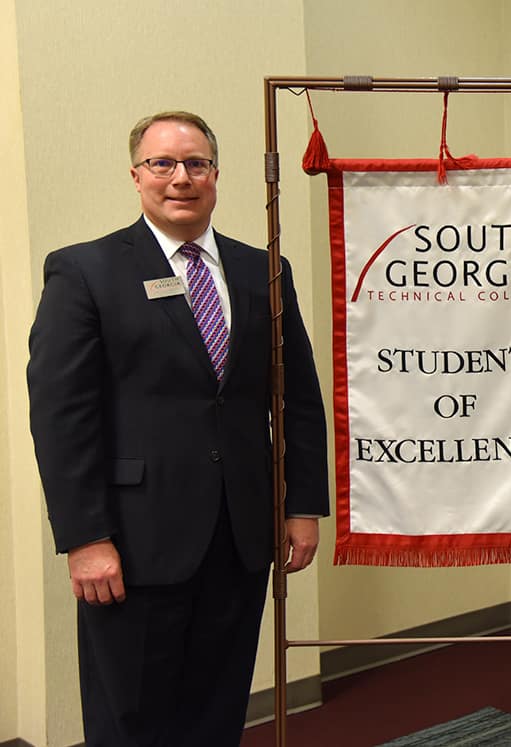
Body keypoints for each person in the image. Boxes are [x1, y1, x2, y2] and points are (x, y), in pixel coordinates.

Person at [27, 111, 329, 746]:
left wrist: (302, 505)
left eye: (196, 163)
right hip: (133, 544)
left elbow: (297, 398)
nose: (180, 177)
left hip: (242, 536)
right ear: (136, 175)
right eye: (162, 163)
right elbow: (62, 417)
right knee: (130, 718)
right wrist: (84, 538)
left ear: (216, 175)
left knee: (217, 710)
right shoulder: (85, 271)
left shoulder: (263, 271)